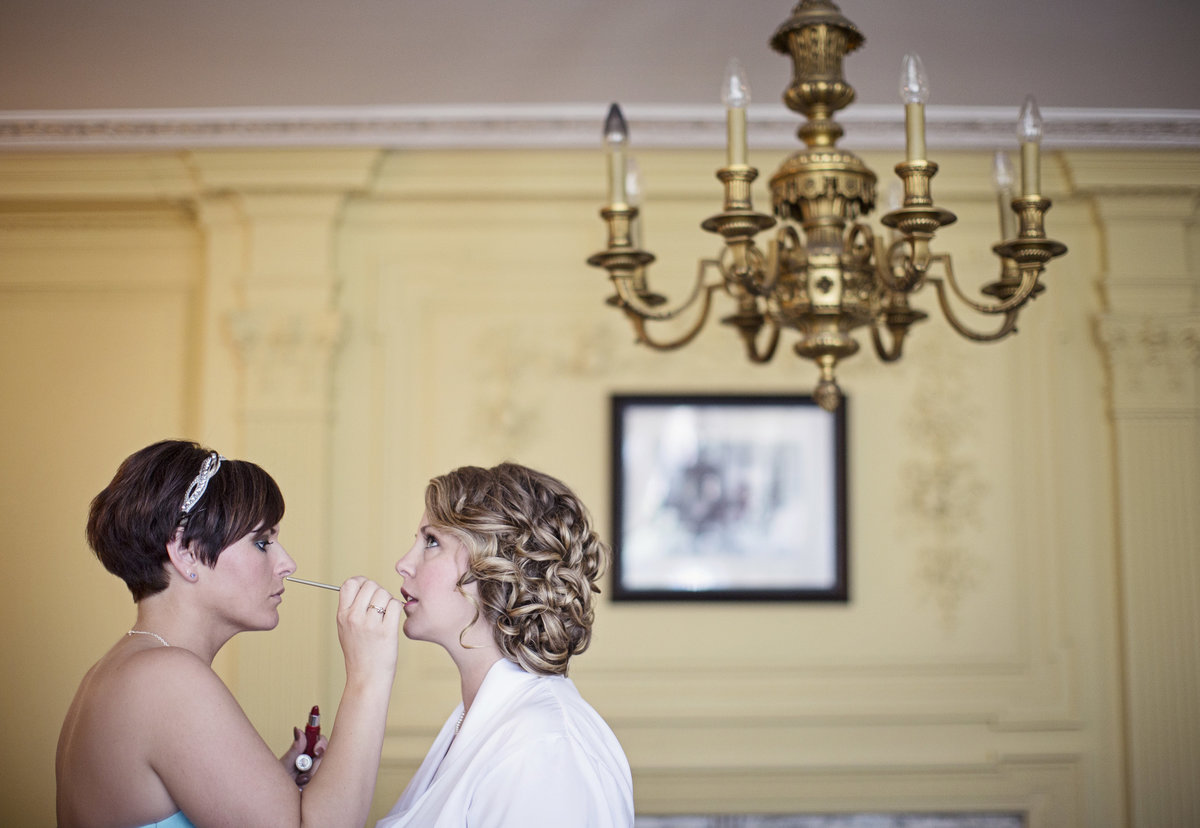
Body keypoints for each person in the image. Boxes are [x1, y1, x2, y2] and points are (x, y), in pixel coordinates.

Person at [56, 440, 401, 828]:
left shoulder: (122, 668)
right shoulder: (166, 678)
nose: (287, 563)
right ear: (186, 552)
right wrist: (368, 675)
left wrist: (273, 785)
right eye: (262, 542)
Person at [376, 462, 634, 827]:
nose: (403, 564)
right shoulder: (482, 720)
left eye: (431, 541)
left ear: (494, 566)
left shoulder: (545, 750)